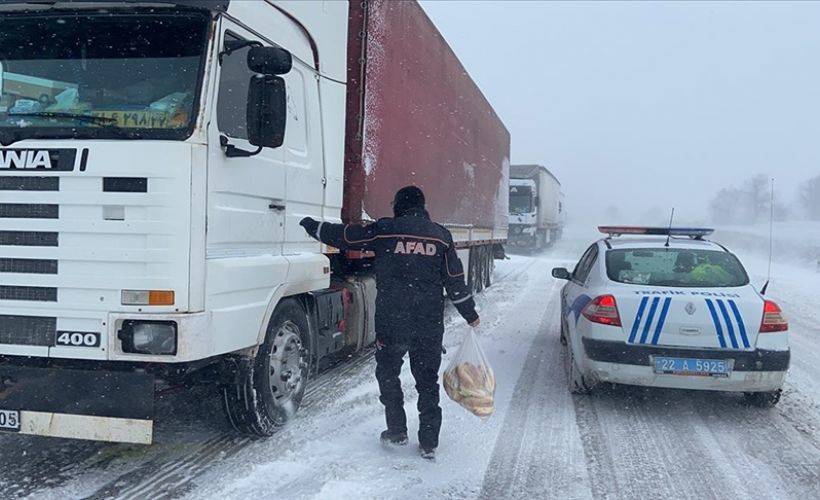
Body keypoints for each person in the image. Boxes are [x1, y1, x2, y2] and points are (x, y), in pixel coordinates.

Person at [299, 186, 480, 460]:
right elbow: (454, 280)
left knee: (388, 375)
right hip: (428, 325)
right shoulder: (441, 236)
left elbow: (345, 237)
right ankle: (429, 442)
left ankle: (396, 431)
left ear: (400, 205)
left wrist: (312, 226)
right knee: (427, 382)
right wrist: (470, 314)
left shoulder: (385, 230)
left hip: (393, 322)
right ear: (422, 205)